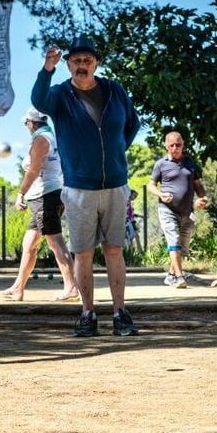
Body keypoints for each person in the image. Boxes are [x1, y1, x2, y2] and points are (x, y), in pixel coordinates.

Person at [31, 36, 141, 336]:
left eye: (87, 61)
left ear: (96, 64)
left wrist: (117, 149)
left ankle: (120, 313)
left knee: (115, 250)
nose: (82, 65)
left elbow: (133, 123)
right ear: (69, 64)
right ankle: (87, 314)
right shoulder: (60, 94)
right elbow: (38, 100)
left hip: (115, 184)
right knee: (83, 254)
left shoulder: (114, 90)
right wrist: (47, 69)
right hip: (79, 187)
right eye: (76, 61)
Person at [1, 107, 77, 302]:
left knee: (55, 242)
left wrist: (20, 194)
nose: (26, 126)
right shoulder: (53, 137)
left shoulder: (41, 140)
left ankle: (71, 288)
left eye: (25, 123)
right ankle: (18, 287)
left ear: (31, 123)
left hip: (46, 195)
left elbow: (33, 170)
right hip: (46, 195)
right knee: (29, 244)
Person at [150, 131, 208, 289]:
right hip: (167, 209)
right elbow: (151, 185)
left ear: (183, 144)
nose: (175, 148)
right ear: (166, 145)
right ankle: (180, 277)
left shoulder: (190, 162)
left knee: (182, 246)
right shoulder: (161, 164)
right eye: (171, 145)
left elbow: (198, 185)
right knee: (174, 240)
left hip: (187, 212)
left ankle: (170, 275)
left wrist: (203, 198)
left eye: (178, 145)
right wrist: (160, 194)